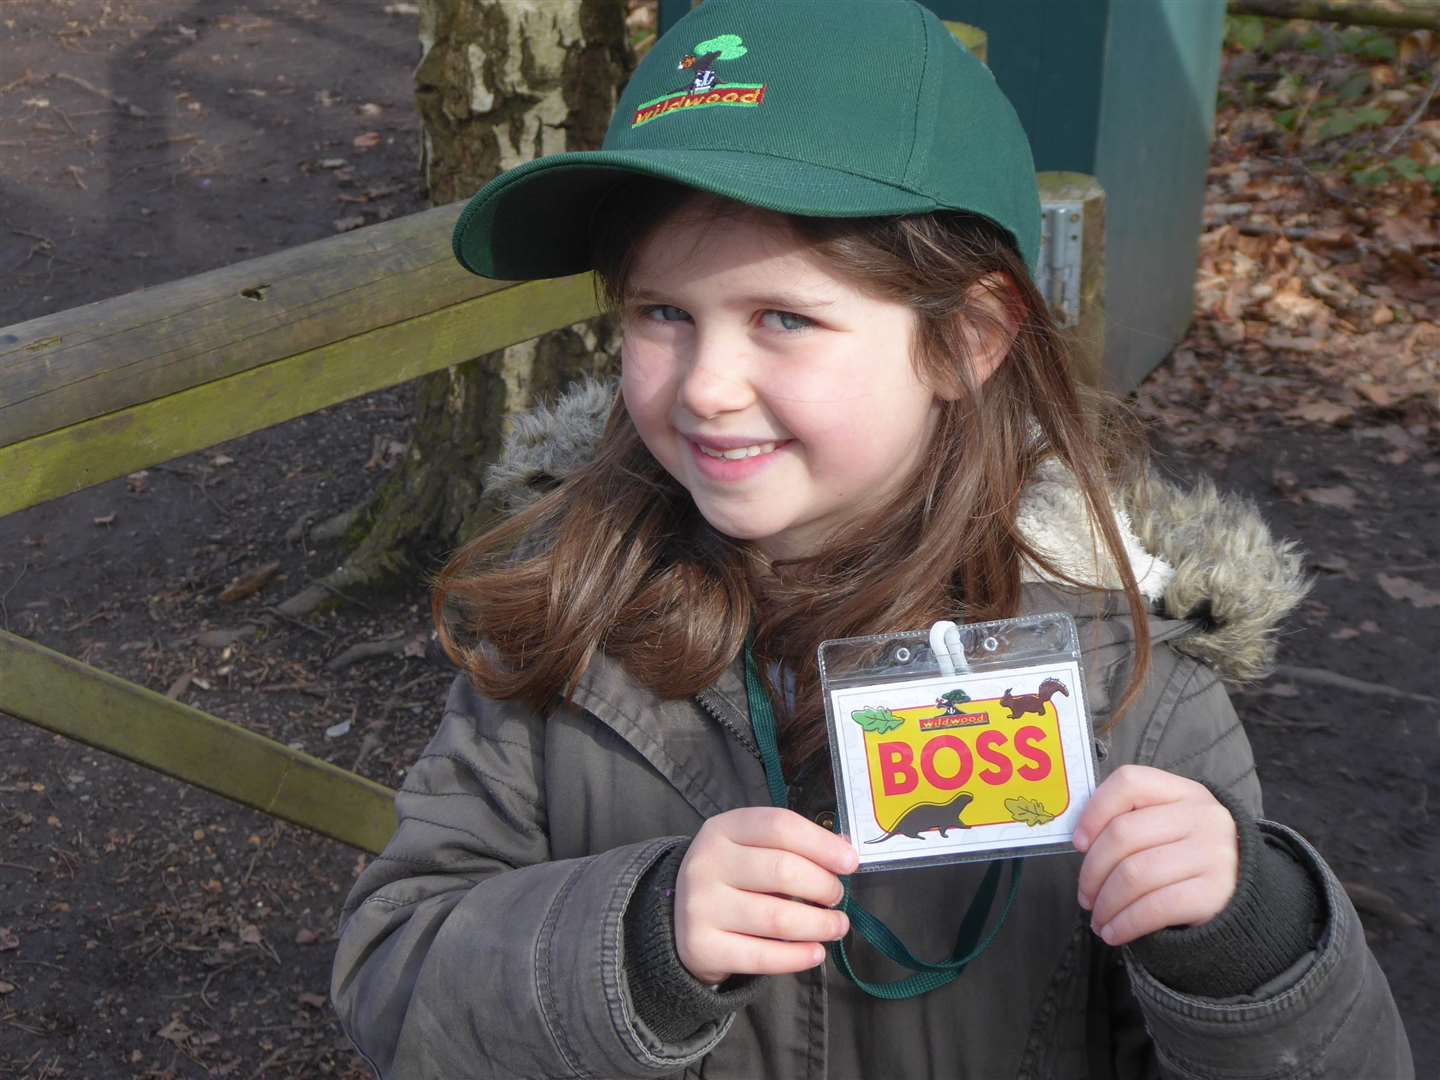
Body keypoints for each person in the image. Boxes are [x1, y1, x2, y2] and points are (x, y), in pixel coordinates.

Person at [330, 2, 1413, 1076]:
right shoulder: (564, 626)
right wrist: (635, 942)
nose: (707, 386)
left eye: (784, 319)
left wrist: (1250, 946)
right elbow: (395, 981)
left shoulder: (1135, 686)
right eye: (662, 313)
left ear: (968, 342)